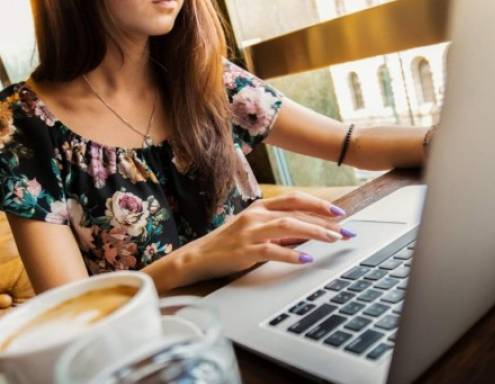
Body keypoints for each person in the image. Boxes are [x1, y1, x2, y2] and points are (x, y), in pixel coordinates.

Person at [0, 0, 429, 294]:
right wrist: (195, 260)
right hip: (162, 359)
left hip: (275, 300)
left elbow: (349, 142)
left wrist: (446, 140)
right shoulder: (20, 124)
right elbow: (72, 312)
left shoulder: (203, 77)